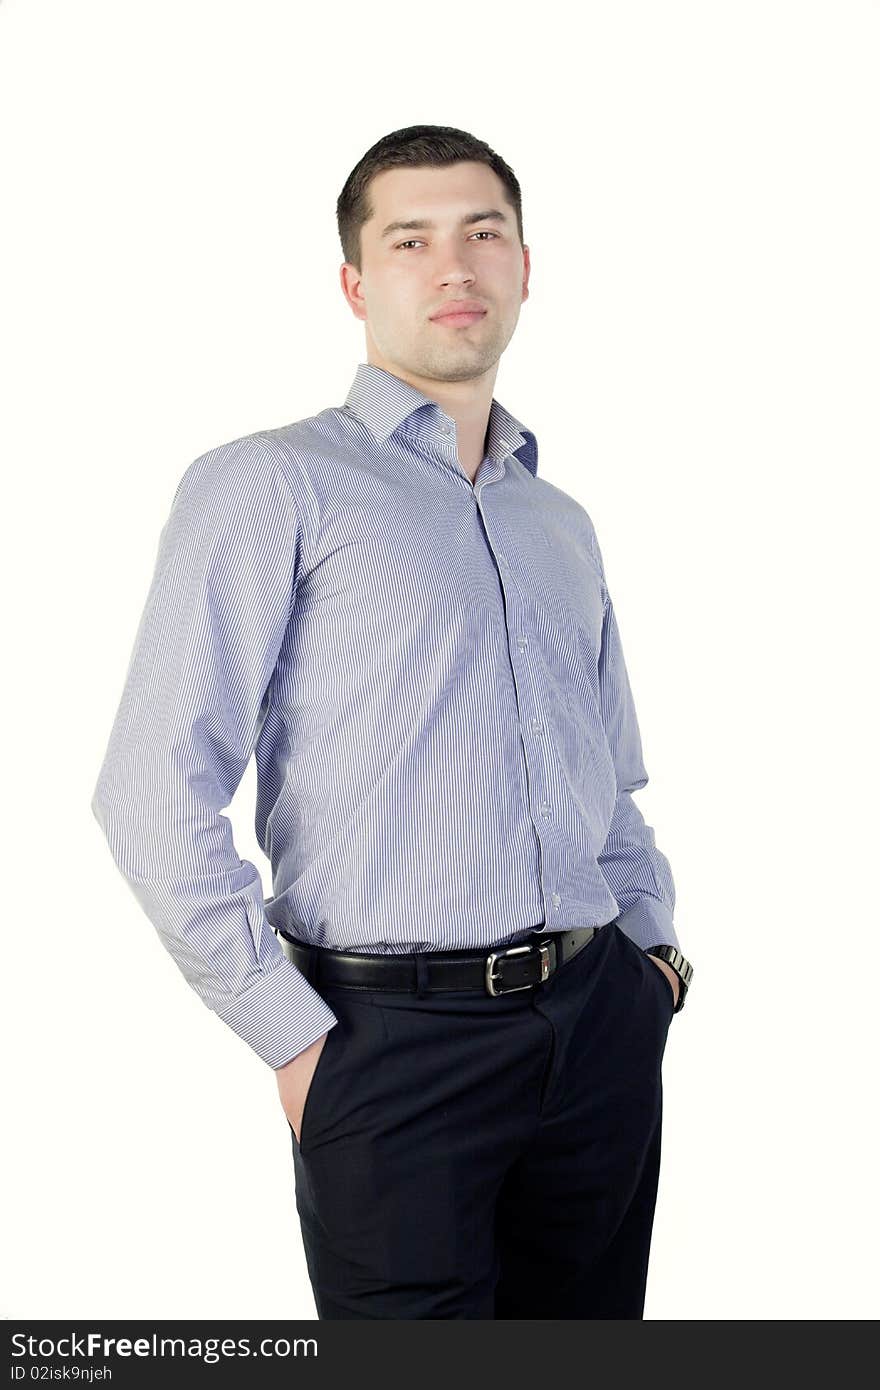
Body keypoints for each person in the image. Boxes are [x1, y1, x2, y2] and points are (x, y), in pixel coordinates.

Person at [91, 123, 694, 1320]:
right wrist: (296, 1040)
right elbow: (149, 791)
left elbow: (606, 782)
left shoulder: (556, 517)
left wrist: (653, 962)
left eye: (484, 233)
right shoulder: (272, 482)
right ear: (357, 284)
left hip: (598, 1031)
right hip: (387, 1048)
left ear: (527, 265)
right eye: (412, 239)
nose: (455, 266)